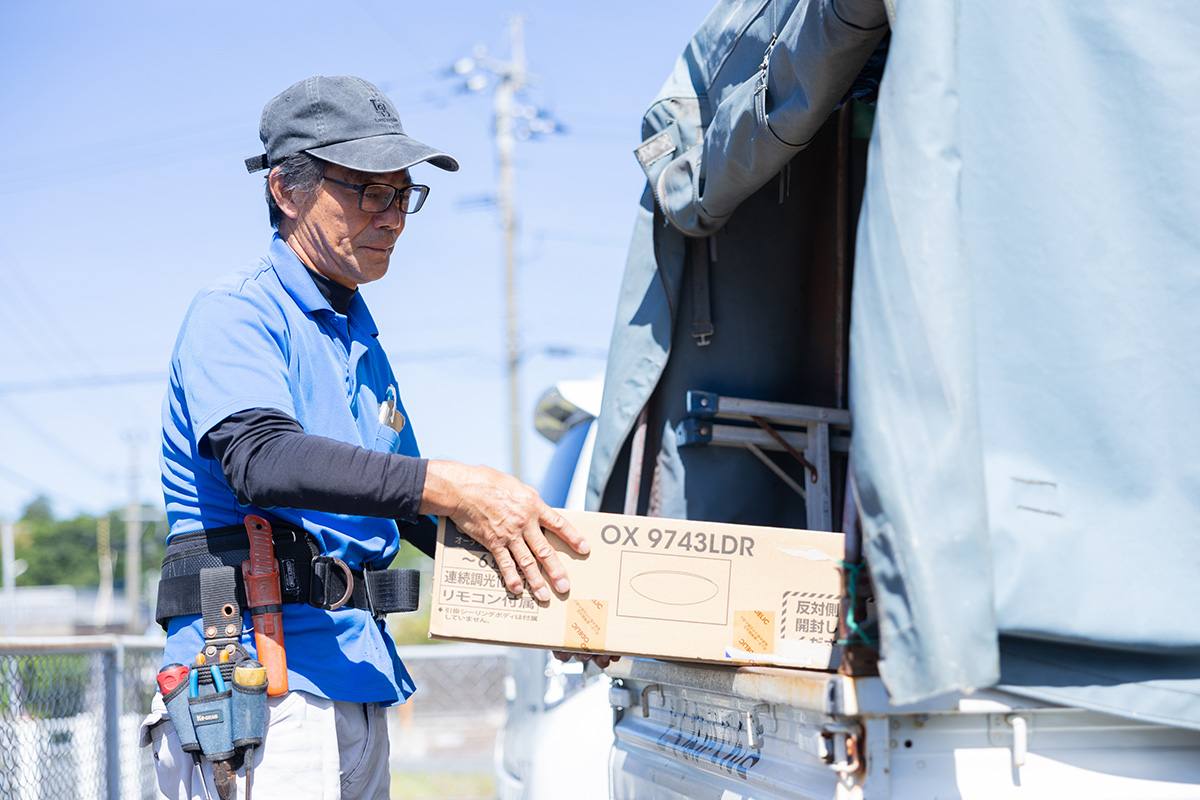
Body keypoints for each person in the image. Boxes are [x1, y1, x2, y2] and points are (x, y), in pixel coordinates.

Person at [139, 75, 590, 800]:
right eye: (367, 191)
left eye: (403, 194)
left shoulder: (359, 341)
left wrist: (569, 603)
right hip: (257, 681)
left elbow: (415, 509)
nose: (393, 218)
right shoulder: (237, 311)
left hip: (356, 673)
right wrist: (448, 482)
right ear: (288, 190)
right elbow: (263, 458)